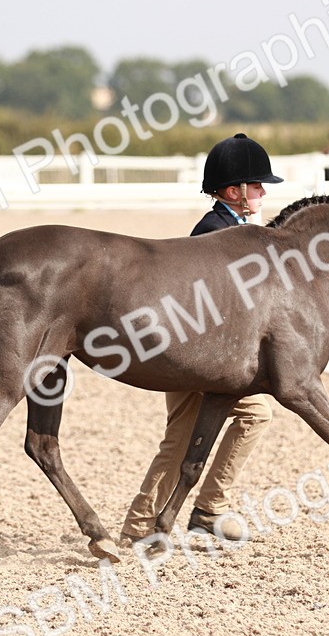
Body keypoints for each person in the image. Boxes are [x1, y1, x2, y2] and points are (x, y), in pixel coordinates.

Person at [120, 133, 282, 544]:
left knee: (252, 415)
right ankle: (146, 524)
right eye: (257, 185)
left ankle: (208, 507)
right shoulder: (214, 231)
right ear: (234, 191)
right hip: (198, 353)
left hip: (219, 355)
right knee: (181, 437)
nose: (263, 191)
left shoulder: (241, 228)